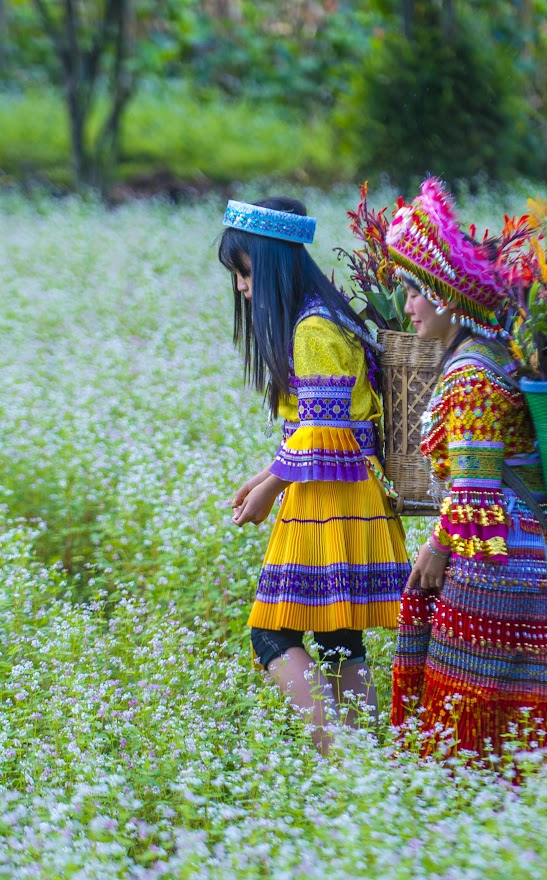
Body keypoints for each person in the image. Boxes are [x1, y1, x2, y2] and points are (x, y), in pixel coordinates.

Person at [384, 179, 547, 782]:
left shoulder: (471, 373)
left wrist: (433, 552)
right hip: (535, 548)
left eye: (415, 293)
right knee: (534, 693)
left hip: (495, 555)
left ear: (445, 296)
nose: (408, 307)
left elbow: (471, 490)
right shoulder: (495, 353)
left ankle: (486, 794)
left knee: (483, 693)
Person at [219, 197, 411, 754]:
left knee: (271, 632)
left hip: (331, 499)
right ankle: (367, 761)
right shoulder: (329, 319)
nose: (242, 289)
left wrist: (268, 492)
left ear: (274, 265)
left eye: (246, 272)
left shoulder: (311, 330)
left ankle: (339, 755)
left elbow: (326, 431)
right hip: (345, 491)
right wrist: (263, 478)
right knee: (336, 634)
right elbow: (320, 426)